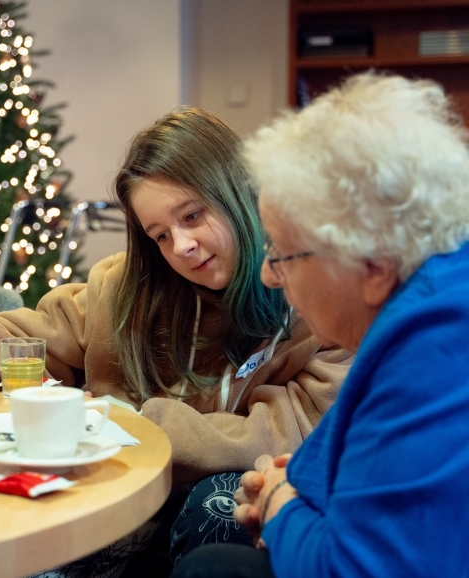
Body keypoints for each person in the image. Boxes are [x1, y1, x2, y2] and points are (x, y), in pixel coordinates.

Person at [0, 107, 352, 575]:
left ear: (239, 194)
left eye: (192, 215)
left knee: (220, 503)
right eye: (160, 236)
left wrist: (127, 420)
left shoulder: (325, 304)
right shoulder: (125, 288)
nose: (182, 246)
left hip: (222, 524)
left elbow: (292, 433)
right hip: (120, 509)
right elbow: (20, 333)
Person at [171, 73, 469, 578]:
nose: (268, 273)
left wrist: (282, 508)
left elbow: (352, 569)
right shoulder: (433, 294)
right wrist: (294, 487)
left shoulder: (436, 348)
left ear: (372, 267)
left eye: (284, 253)